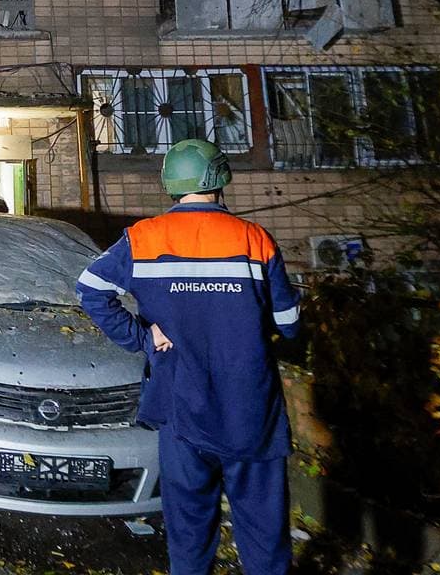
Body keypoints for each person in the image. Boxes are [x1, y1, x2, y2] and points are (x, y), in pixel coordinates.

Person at [75, 139, 301, 575]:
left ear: (170, 183)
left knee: (190, 534)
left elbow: (89, 288)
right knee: (264, 535)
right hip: (250, 411)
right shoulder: (254, 240)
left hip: (180, 410)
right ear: (219, 179)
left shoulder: (143, 238)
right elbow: (288, 321)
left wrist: (141, 336)